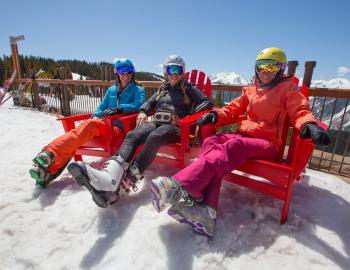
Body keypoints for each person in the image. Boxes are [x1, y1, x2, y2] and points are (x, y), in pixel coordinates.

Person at [149, 47, 331, 237]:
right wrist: (214, 115)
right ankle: (206, 213)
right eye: (261, 67)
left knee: (232, 146)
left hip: (267, 144)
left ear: (282, 69)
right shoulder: (252, 89)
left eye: (272, 67)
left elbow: (299, 110)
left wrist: (308, 124)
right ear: (255, 68)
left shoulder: (287, 89)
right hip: (244, 136)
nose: (265, 72)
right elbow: (233, 109)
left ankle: (178, 186)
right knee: (212, 141)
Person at [67, 55, 214, 208]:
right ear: (166, 72)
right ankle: (109, 177)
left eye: (178, 69)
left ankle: (126, 182)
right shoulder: (163, 89)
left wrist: (190, 116)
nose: (174, 73)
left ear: (183, 72)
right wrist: (144, 111)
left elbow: (207, 102)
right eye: (171, 69)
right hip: (157, 122)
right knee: (133, 134)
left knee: (154, 137)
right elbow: (150, 102)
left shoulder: (189, 88)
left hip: (176, 128)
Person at [29, 58, 145, 188]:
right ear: (117, 73)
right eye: (122, 70)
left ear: (133, 73)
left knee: (85, 129)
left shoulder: (137, 90)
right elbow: (102, 107)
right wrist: (95, 116)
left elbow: (139, 104)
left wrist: (120, 108)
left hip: (120, 128)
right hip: (103, 125)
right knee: (81, 132)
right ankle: (49, 169)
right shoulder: (112, 90)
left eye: (129, 71)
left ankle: (50, 154)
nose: (126, 74)